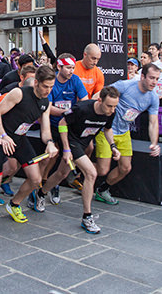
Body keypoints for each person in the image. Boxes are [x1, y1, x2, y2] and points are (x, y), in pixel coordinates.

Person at [0, 65, 58, 223]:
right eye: (45, 86)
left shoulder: (46, 103)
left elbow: (45, 130)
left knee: (35, 179)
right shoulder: (19, 93)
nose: (48, 90)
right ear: (36, 83)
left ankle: (14, 204)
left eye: (51, 87)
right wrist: (3, 135)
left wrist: (50, 143)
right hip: (1, 139)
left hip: (20, 139)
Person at [40, 87, 120, 234]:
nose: (112, 110)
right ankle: (87, 217)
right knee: (91, 173)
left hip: (82, 143)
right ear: (100, 100)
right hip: (71, 140)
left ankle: (40, 193)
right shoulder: (82, 108)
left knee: (61, 174)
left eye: (115, 106)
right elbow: (62, 123)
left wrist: (113, 146)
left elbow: (107, 129)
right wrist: (66, 149)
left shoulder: (111, 113)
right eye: (109, 106)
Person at [94, 64, 161, 205]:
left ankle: (102, 190)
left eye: (157, 79)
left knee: (125, 168)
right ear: (142, 76)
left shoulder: (153, 97)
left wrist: (154, 143)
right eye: (151, 78)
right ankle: (77, 166)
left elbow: (153, 122)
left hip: (124, 133)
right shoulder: (125, 85)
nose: (154, 82)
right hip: (107, 130)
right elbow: (101, 95)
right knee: (102, 170)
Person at [48, 54, 89, 199]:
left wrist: (77, 112)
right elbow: (48, 108)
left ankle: (75, 175)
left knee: (88, 147)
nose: (71, 71)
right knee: (52, 155)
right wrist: (67, 112)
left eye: (73, 68)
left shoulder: (75, 80)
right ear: (59, 67)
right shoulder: (51, 82)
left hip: (69, 123)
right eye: (68, 68)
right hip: (52, 124)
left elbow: (84, 100)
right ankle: (44, 182)